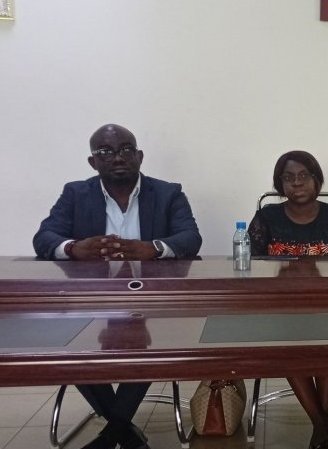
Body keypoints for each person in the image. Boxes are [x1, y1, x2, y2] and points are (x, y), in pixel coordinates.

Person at [33, 124, 202, 449]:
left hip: (150, 301)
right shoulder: (75, 193)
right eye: (106, 151)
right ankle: (123, 432)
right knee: (71, 348)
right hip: (91, 301)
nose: (118, 157)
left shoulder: (168, 193)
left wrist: (152, 248)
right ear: (93, 162)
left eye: (126, 149)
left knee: (152, 343)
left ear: (139, 156)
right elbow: (44, 237)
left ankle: (112, 435)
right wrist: (74, 248)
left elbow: (190, 238)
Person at [247, 150, 328, 449]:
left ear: (317, 180)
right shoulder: (266, 217)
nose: (296, 183)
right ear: (280, 184)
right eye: (288, 178)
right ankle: (323, 424)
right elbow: (249, 264)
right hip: (281, 307)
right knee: (287, 340)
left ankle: (321, 426)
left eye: (303, 176)